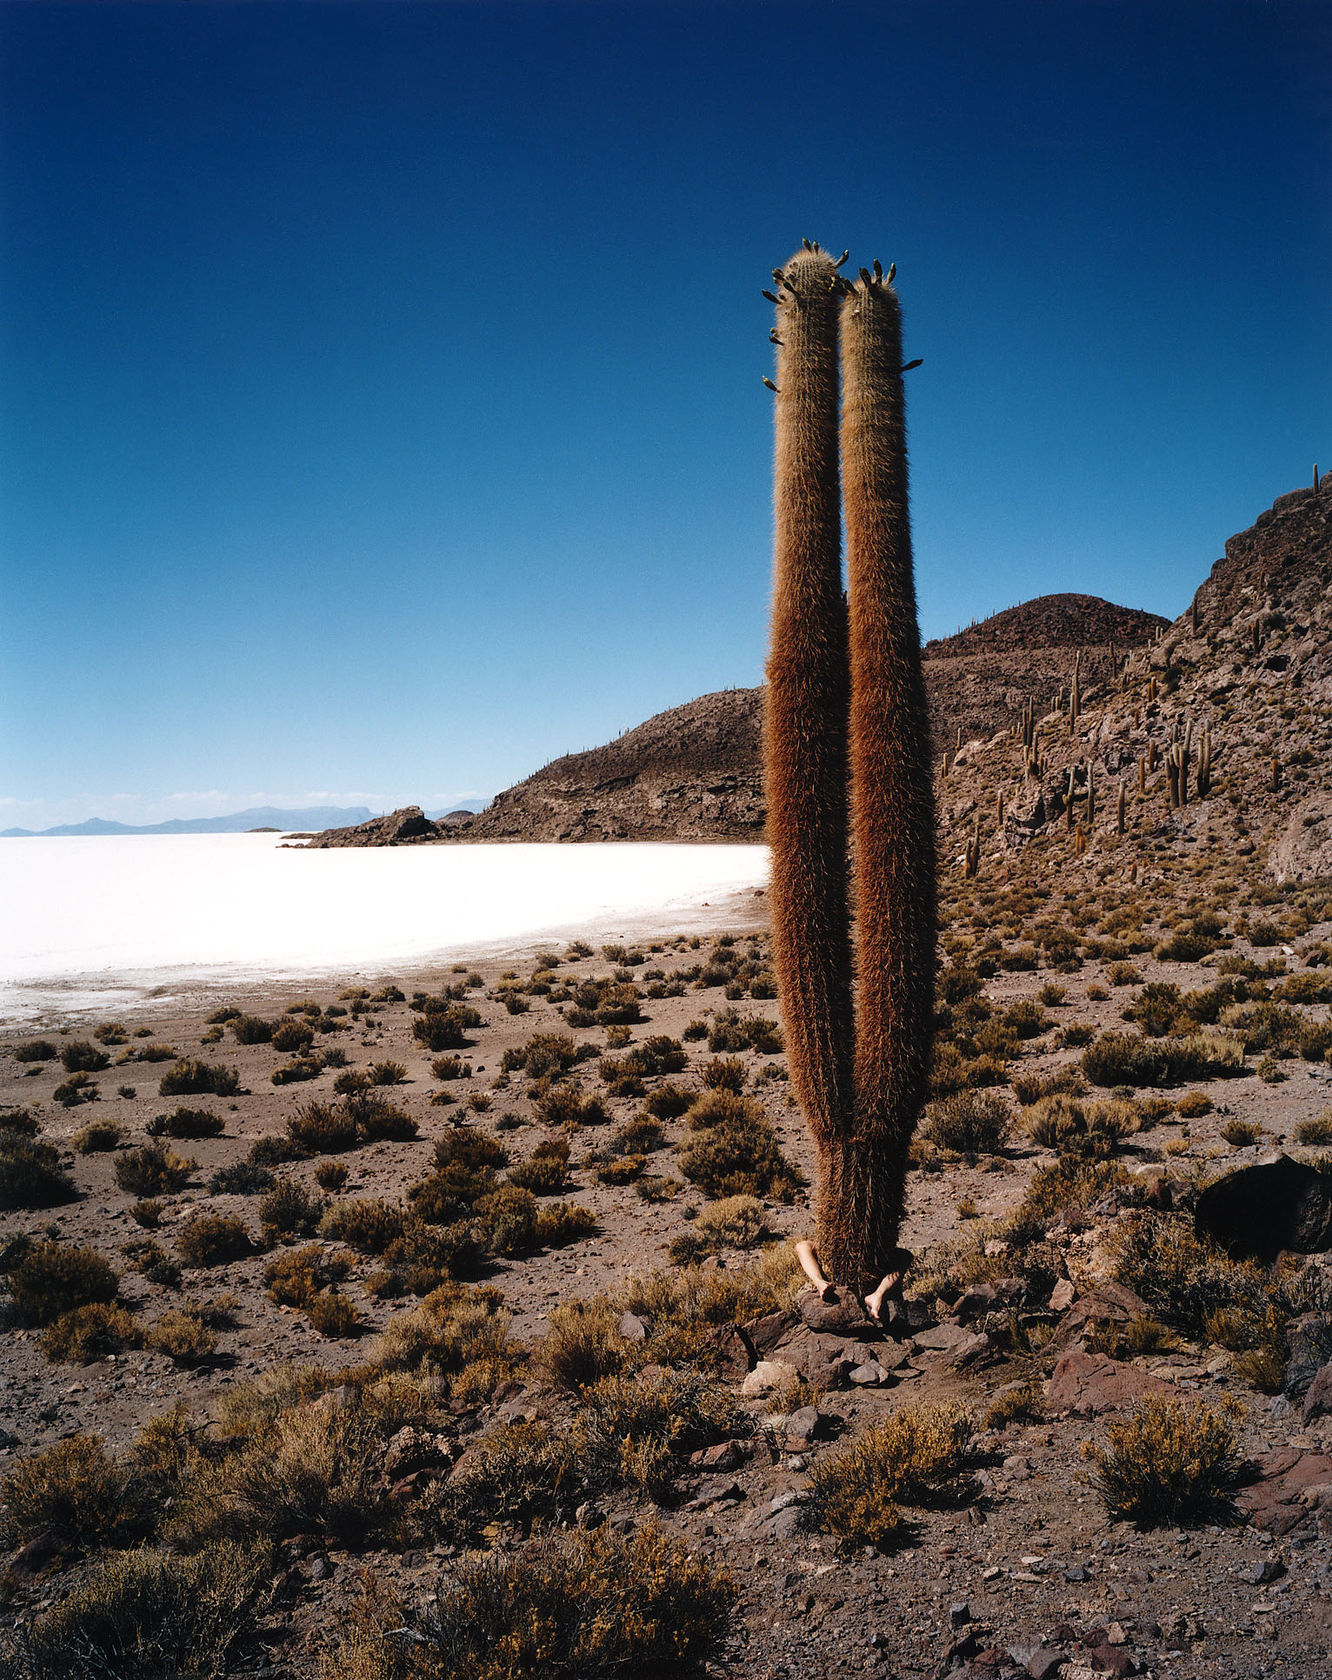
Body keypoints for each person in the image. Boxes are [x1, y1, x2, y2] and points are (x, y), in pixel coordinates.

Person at [794, 1238, 913, 1324]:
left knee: (905, 1256)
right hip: (848, 1252)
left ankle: (877, 1295)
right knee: (803, 1246)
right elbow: (802, 1246)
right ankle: (820, 1282)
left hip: (868, 1256)